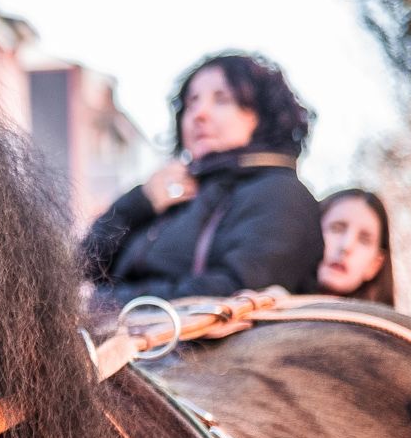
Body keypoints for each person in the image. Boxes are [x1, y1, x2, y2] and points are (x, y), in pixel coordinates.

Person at [81, 51, 322, 307]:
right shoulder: (172, 192)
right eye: (192, 102)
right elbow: (85, 266)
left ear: (262, 115)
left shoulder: (281, 194)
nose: (199, 114)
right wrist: (140, 202)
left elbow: (232, 293)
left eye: (222, 100)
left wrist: (103, 304)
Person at [318, 187, 396, 304]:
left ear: (375, 264)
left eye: (364, 240)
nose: (346, 246)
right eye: (337, 229)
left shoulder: (385, 322)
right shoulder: (280, 305)